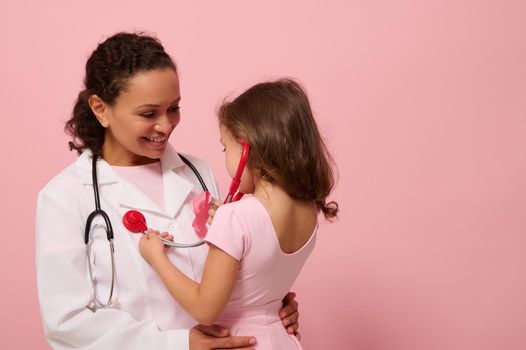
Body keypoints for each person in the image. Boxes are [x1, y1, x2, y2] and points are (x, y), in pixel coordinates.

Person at [35, 32, 300, 350]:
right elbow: (67, 325)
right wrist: (177, 343)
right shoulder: (64, 197)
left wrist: (271, 306)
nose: (166, 125)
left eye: (173, 108)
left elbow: (234, 264)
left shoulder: (199, 173)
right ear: (100, 109)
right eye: (148, 114)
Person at [139, 79, 339, 349]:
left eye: (225, 146)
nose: (225, 156)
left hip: (238, 341)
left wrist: (156, 258)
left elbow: (205, 309)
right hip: (282, 340)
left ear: (247, 149)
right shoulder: (308, 210)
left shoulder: (235, 217)